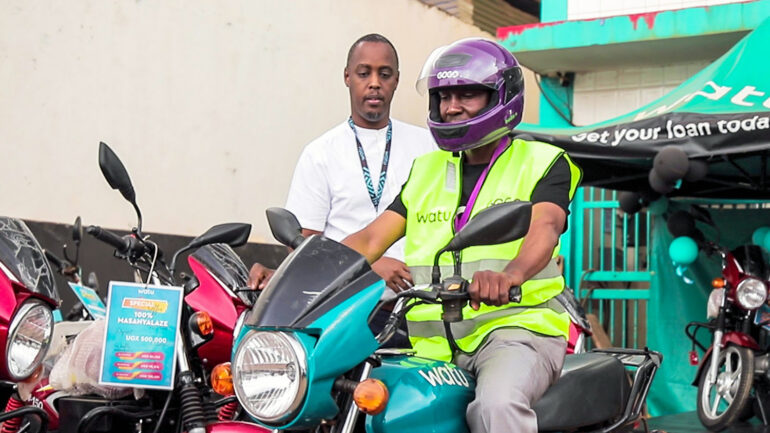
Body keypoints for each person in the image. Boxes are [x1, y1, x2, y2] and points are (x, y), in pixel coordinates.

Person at [342, 38, 582, 433]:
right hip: (433, 347)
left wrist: (510, 275)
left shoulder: (541, 162)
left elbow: (546, 227)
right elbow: (369, 240)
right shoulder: (427, 170)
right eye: (444, 97)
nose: (452, 107)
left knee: (496, 407)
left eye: (468, 94)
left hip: (515, 332)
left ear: (501, 97)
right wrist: (296, 276)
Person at [247, 34, 435, 345]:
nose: (374, 83)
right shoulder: (320, 153)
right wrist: (368, 266)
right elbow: (304, 248)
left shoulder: (428, 146)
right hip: (343, 312)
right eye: (364, 73)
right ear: (347, 77)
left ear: (397, 80)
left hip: (419, 309)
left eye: (384, 74)